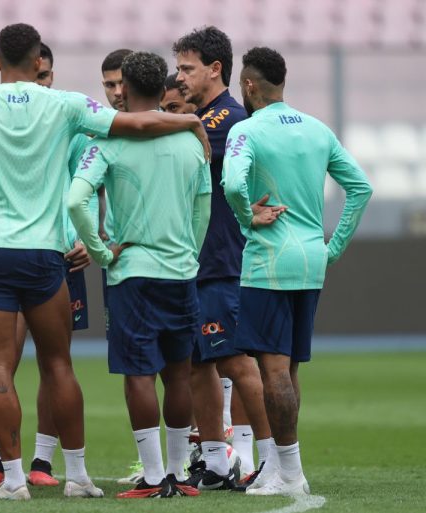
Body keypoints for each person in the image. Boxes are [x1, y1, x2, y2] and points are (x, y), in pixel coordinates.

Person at [0, 23, 208, 500]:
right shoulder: (67, 103)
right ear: (38, 63)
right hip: (46, 251)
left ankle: (12, 481)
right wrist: (189, 121)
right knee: (58, 365)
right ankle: (78, 477)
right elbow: (135, 124)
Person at [222, 46, 372, 496]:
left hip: (269, 261)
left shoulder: (246, 130)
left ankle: (291, 472)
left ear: (248, 85)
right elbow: (360, 188)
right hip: (310, 260)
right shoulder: (317, 128)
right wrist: (333, 246)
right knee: (287, 371)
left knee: (272, 371)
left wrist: (247, 216)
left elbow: (231, 183)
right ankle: (275, 464)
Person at [68, 51, 209, 500]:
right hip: (181, 270)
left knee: (139, 373)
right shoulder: (190, 139)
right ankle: (179, 474)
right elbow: (203, 205)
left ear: (123, 87)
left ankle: (152, 479)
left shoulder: (107, 142)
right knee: (179, 373)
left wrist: (100, 253)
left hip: (132, 273)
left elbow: (75, 201)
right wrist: (190, 251)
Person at [0, 40, 90, 489]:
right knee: (17, 359)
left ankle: (40, 461)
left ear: (50, 75)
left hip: (56, 252)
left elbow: (86, 185)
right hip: (38, 253)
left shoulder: (67, 122)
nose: (38, 85)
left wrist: (84, 238)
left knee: (45, 361)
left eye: (44, 80)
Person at [174, 26, 275, 489]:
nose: (181, 77)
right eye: (177, 68)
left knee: (236, 361)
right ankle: (216, 460)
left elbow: (181, 149)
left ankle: (276, 459)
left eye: (187, 69)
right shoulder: (201, 115)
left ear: (216, 70)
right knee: (199, 363)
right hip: (196, 262)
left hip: (221, 261)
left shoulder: (227, 120)